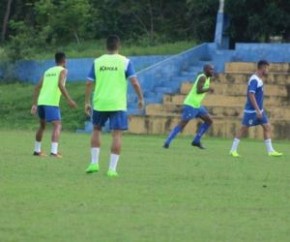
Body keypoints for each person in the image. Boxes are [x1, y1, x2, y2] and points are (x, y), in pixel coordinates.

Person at [84, 35, 144, 177]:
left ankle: (94, 162)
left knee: (96, 130)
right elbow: (134, 82)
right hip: (117, 104)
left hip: (100, 102)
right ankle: (112, 169)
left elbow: (88, 83)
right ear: (119, 46)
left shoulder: (97, 62)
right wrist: (140, 98)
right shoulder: (125, 62)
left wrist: (87, 101)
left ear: (106, 46)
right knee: (116, 135)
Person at [229, 60, 282, 157]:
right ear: (263, 68)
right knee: (243, 129)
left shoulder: (259, 79)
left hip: (260, 111)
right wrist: (257, 109)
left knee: (267, 127)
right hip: (252, 111)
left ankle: (270, 151)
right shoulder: (254, 80)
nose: (268, 71)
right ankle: (233, 150)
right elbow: (251, 94)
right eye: (267, 68)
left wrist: (260, 109)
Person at [31, 52, 77, 158]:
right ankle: (54, 152)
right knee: (57, 125)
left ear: (55, 61)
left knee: (42, 126)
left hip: (41, 102)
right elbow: (60, 84)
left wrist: (34, 104)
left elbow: (37, 87)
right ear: (65, 60)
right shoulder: (63, 70)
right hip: (51, 102)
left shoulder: (47, 71)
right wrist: (69, 100)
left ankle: (37, 150)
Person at [163, 64, 215, 149]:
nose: (212, 71)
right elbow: (198, 90)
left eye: (213, 70)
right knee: (183, 123)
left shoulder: (208, 78)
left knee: (209, 121)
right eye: (211, 70)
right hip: (191, 105)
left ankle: (196, 141)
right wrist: (208, 89)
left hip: (197, 105)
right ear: (205, 70)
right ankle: (167, 142)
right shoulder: (203, 77)